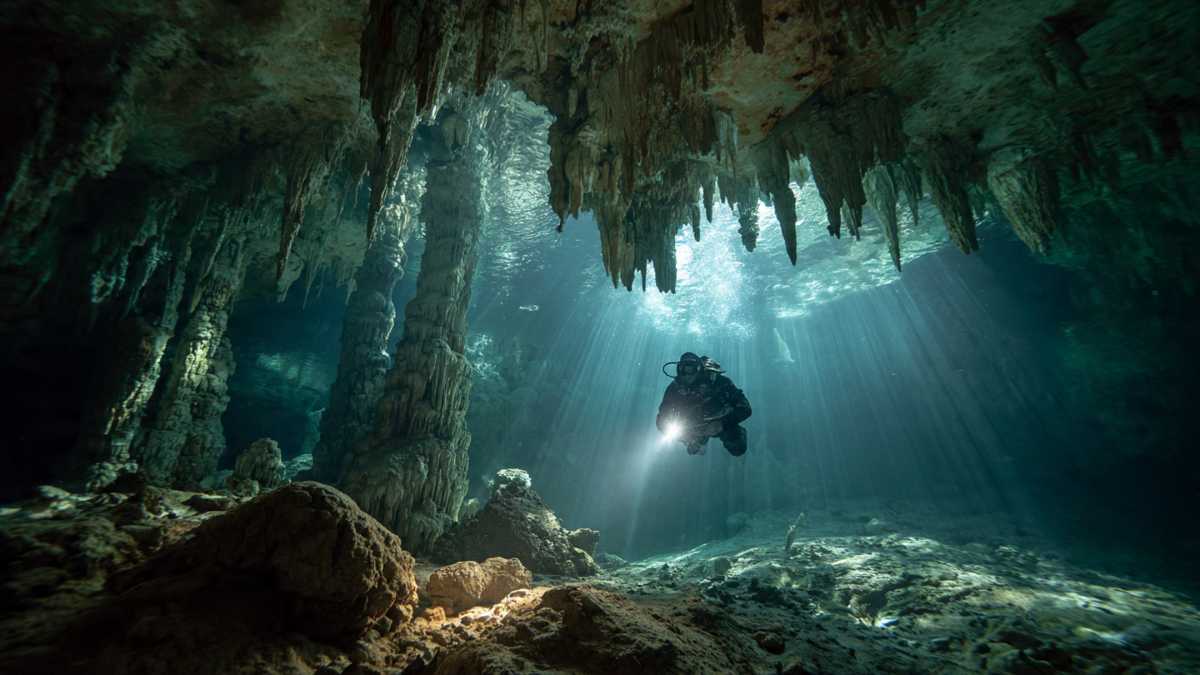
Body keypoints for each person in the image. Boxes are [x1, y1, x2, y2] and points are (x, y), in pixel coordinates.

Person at [656, 352, 751, 456]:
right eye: (683, 369)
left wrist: (721, 424)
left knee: (738, 448)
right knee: (693, 450)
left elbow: (745, 408)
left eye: (691, 369)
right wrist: (686, 438)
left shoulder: (720, 382)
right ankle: (699, 440)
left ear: (700, 369)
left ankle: (730, 434)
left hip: (720, 420)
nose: (687, 374)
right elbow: (661, 421)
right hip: (693, 426)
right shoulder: (674, 389)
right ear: (678, 370)